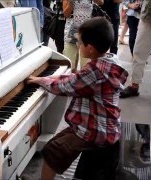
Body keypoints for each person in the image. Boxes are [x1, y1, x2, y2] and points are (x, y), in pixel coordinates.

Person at [26, 17, 129, 179]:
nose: (78, 45)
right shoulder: (111, 61)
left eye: (79, 42)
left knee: (52, 152)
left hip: (96, 130)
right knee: (53, 144)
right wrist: (56, 77)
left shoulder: (95, 71)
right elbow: (77, 81)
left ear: (90, 48)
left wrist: (40, 80)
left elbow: (65, 87)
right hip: (105, 125)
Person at [63, 0, 104, 71]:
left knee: (86, 66)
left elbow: (101, 2)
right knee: (69, 64)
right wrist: (71, 2)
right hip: (71, 32)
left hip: (88, 31)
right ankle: (71, 80)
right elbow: (66, 14)